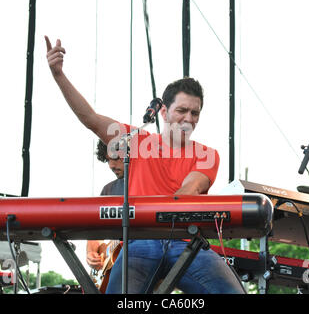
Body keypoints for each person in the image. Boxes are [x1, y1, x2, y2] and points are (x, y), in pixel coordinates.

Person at [45, 36, 245, 294]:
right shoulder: (136, 140)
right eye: (182, 110)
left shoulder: (207, 153)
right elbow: (90, 118)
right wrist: (58, 75)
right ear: (163, 112)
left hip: (186, 242)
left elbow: (190, 189)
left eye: (195, 113)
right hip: (141, 242)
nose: (189, 118)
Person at [86, 140, 124, 272]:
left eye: (115, 158)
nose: (111, 165)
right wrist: (91, 253)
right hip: (114, 266)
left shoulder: (152, 186)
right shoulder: (108, 190)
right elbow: (96, 232)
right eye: (108, 160)